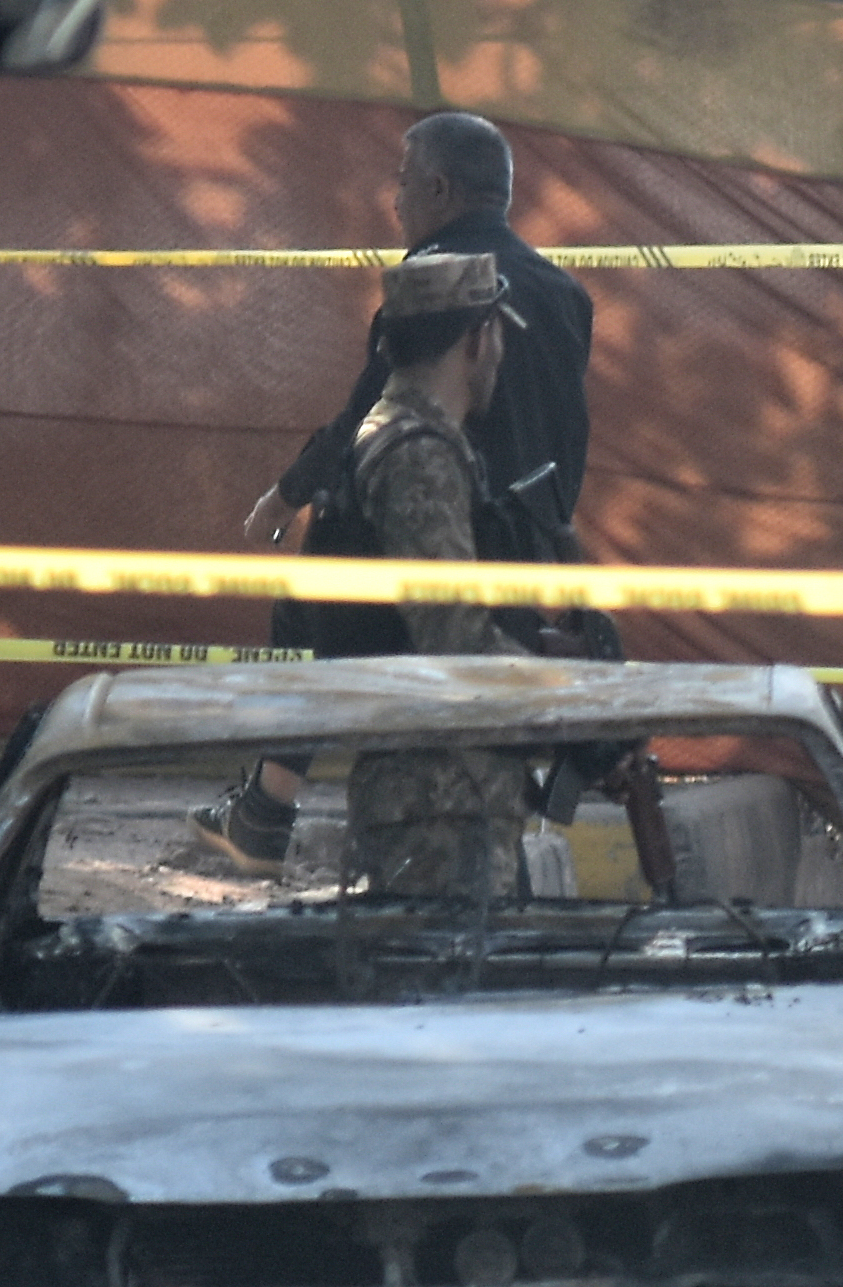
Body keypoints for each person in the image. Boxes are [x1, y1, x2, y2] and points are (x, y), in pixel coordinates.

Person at [188, 112, 594, 873]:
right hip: (528, 551)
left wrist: (287, 496)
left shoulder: (433, 287)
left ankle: (266, 811)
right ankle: (271, 812)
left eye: (403, 183)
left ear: (438, 188)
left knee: (314, 584)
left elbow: (369, 416)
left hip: (434, 545)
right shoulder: (566, 293)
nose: (395, 201)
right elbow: (568, 437)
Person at [320, 252, 537, 902]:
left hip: (437, 797)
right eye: (497, 335)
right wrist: (572, 695)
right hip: (441, 805)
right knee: (449, 967)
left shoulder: (395, 435)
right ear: (478, 339)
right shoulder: (419, 457)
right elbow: (454, 638)